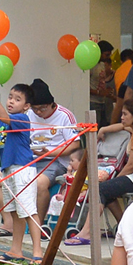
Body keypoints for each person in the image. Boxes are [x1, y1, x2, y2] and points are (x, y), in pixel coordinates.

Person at [25, 79, 80, 222]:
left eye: (42, 108)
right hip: (33, 158)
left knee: (40, 183)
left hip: (57, 161)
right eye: (35, 108)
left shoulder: (64, 115)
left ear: (51, 104)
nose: (38, 112)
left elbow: (74, 144)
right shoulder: (29, 114)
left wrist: (50, 153)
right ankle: (11, 224)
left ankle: (38, 225)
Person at [0, 83, 42, 261]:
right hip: (9, 168)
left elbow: (4, 116)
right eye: (10, 97)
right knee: (16, 212)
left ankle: (37, 252)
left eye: (17, 99)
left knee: (29, 211)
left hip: (23, 169)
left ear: (26, 106)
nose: (11, 102)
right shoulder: (5, 120)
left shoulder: (22, 119)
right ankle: (16, 249)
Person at [89, 40, 116, 129]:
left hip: (103, 102)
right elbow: (85, 88)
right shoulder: (91, 65)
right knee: (94, 129)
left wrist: (106, 91)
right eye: (106, 55)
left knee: (102, 127)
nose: (108, 57)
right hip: (93, 102)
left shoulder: (102, 65)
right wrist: (99, 92)